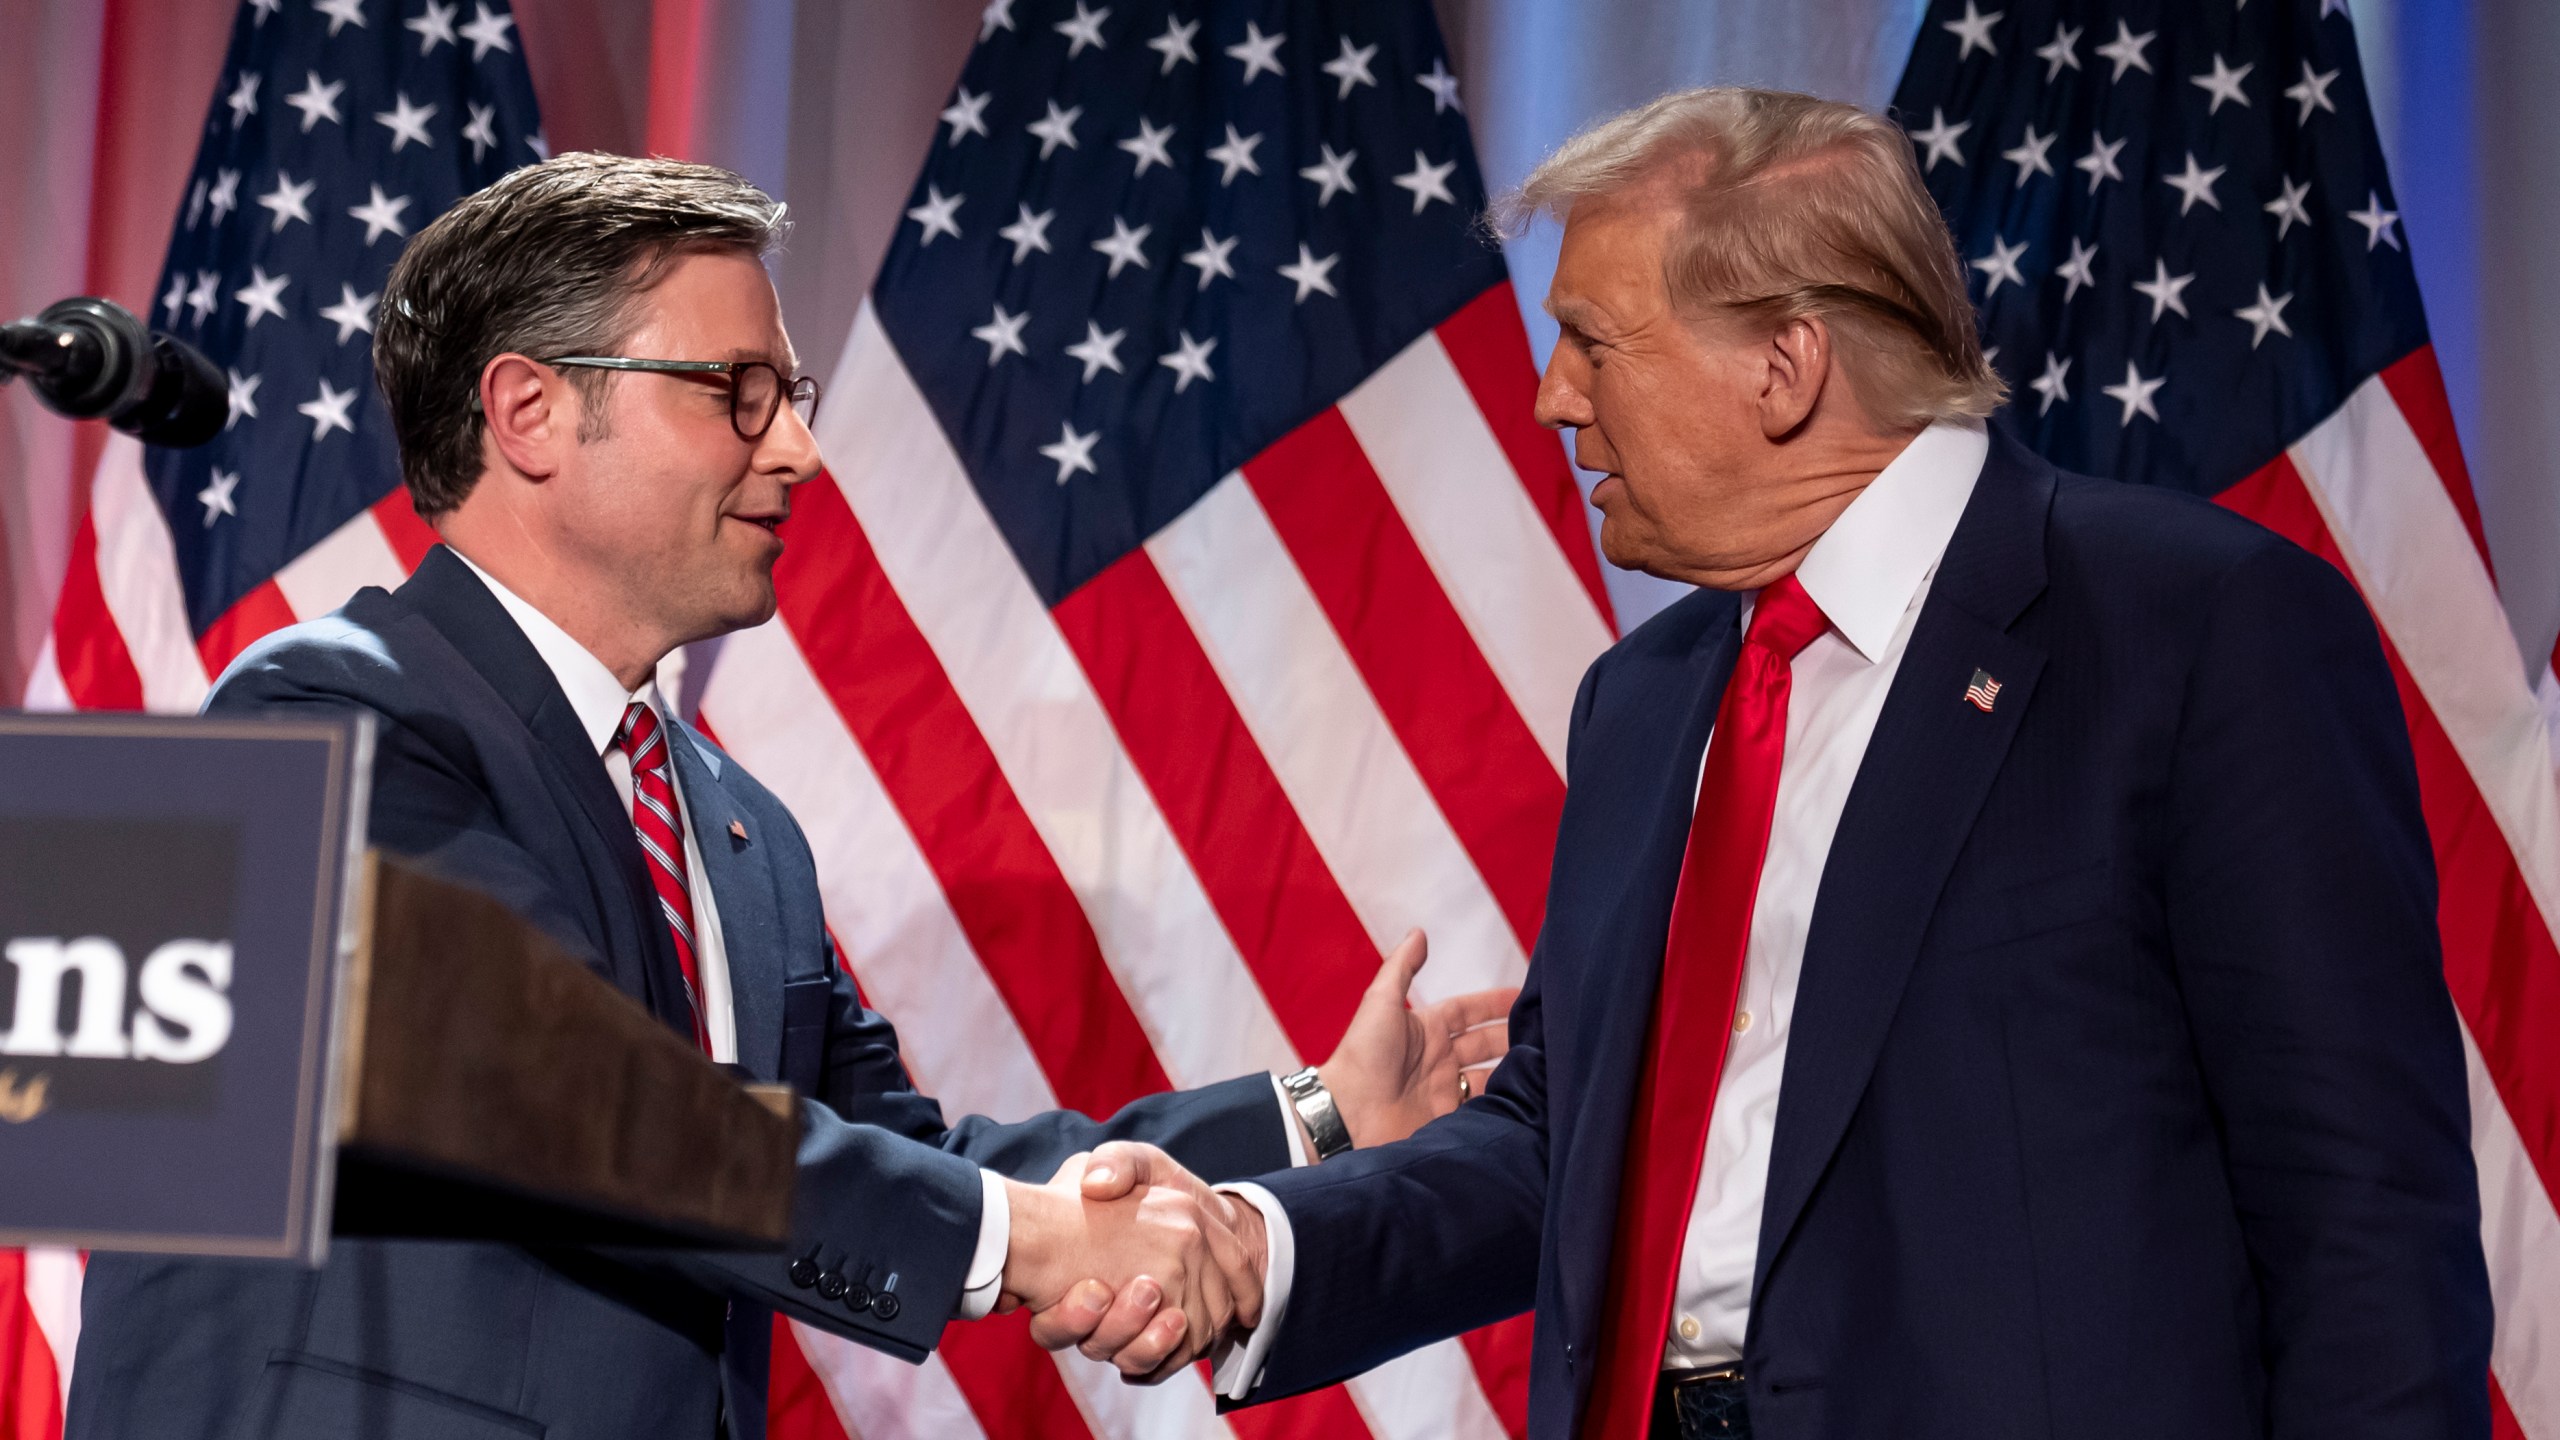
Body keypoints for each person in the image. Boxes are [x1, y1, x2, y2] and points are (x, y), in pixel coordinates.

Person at [1060, 87, 2495, 1439]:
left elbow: (2359, 1212)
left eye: (1594, 343)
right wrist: (1261, 1248)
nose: (1555, 400)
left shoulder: (2190, 630)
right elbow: (1567, 1146)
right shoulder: (1646, 698)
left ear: (1786, 364)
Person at [63, 153, 1509, 1440]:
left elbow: (895, 1159)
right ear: (529, 412)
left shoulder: (739, 830)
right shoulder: (333, 713)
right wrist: (1036, 1243)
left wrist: (1310, 1119)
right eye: (735, 393)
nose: (797, 449)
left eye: (791, 397)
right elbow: (573, 1107)